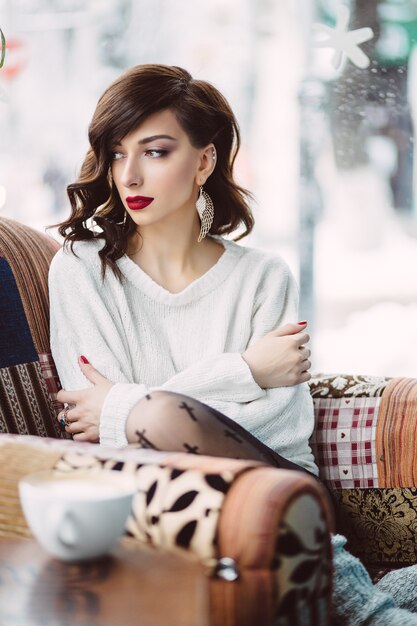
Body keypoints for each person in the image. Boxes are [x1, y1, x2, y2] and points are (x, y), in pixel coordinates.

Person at [49, 64, 417, 625]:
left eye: (155, 151)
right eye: (117, 153)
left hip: (286, 495)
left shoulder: (264, 276)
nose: (129, 176)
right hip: (157, 506)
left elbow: (277, 428)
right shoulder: (80, 270)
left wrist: (134, 408)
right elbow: (101, 428)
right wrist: (244, 371)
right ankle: (370, 608)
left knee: (158, 412)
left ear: (204, 160)